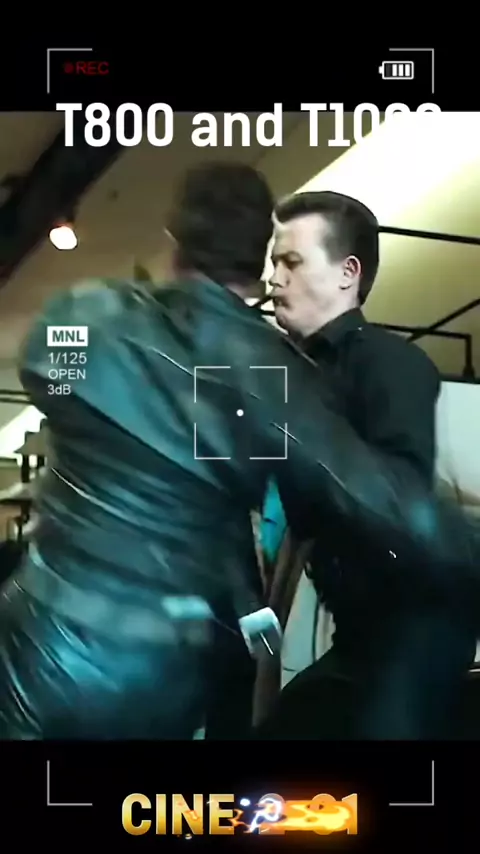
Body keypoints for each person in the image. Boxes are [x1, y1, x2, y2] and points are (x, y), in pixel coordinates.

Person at [0, 166, 477, 740]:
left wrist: (114, 415)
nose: (280, 277)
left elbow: (49, 379)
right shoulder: (270, 375)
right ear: (256, 264)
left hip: (46, 638)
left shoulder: (86, 314)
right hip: (163, 672)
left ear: (174, 242)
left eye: (292, 262)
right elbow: (376, 498)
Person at [258, 190, 477, 739]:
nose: (273, 279)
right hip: (360, 632)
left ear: (347, 273)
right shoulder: (296, 378)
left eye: (291, 262)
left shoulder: (389, 363)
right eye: (273, 263)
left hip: (423, 622)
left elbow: (397, 496)